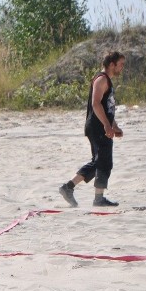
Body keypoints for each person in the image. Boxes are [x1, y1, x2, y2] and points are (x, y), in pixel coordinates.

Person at [59, 51, 126, 207]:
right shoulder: (101, 80)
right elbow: (96, 104)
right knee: (101, 161)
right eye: (121, 64)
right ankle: (71, 188)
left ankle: (94, 196)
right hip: (97, 127)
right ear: (111, 64)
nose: (122, 68)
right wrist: (106, 125)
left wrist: (114, 126)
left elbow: (107, 107)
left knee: (103, 162)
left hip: (101, 126)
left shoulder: (107, 80)